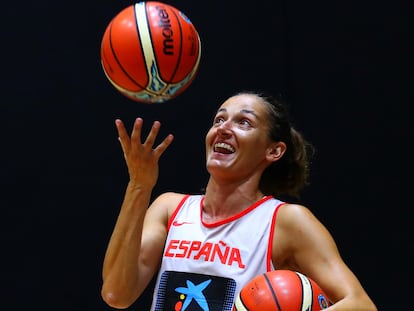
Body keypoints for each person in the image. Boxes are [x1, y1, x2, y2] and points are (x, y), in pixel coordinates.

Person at [101, 91, 377, 311]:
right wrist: (139, 185)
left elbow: (361, 304)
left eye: (243, 122)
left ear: (274, 150)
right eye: (219, 120)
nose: (223, 129)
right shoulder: (169, 208)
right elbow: (116, 294)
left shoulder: (285, 221)